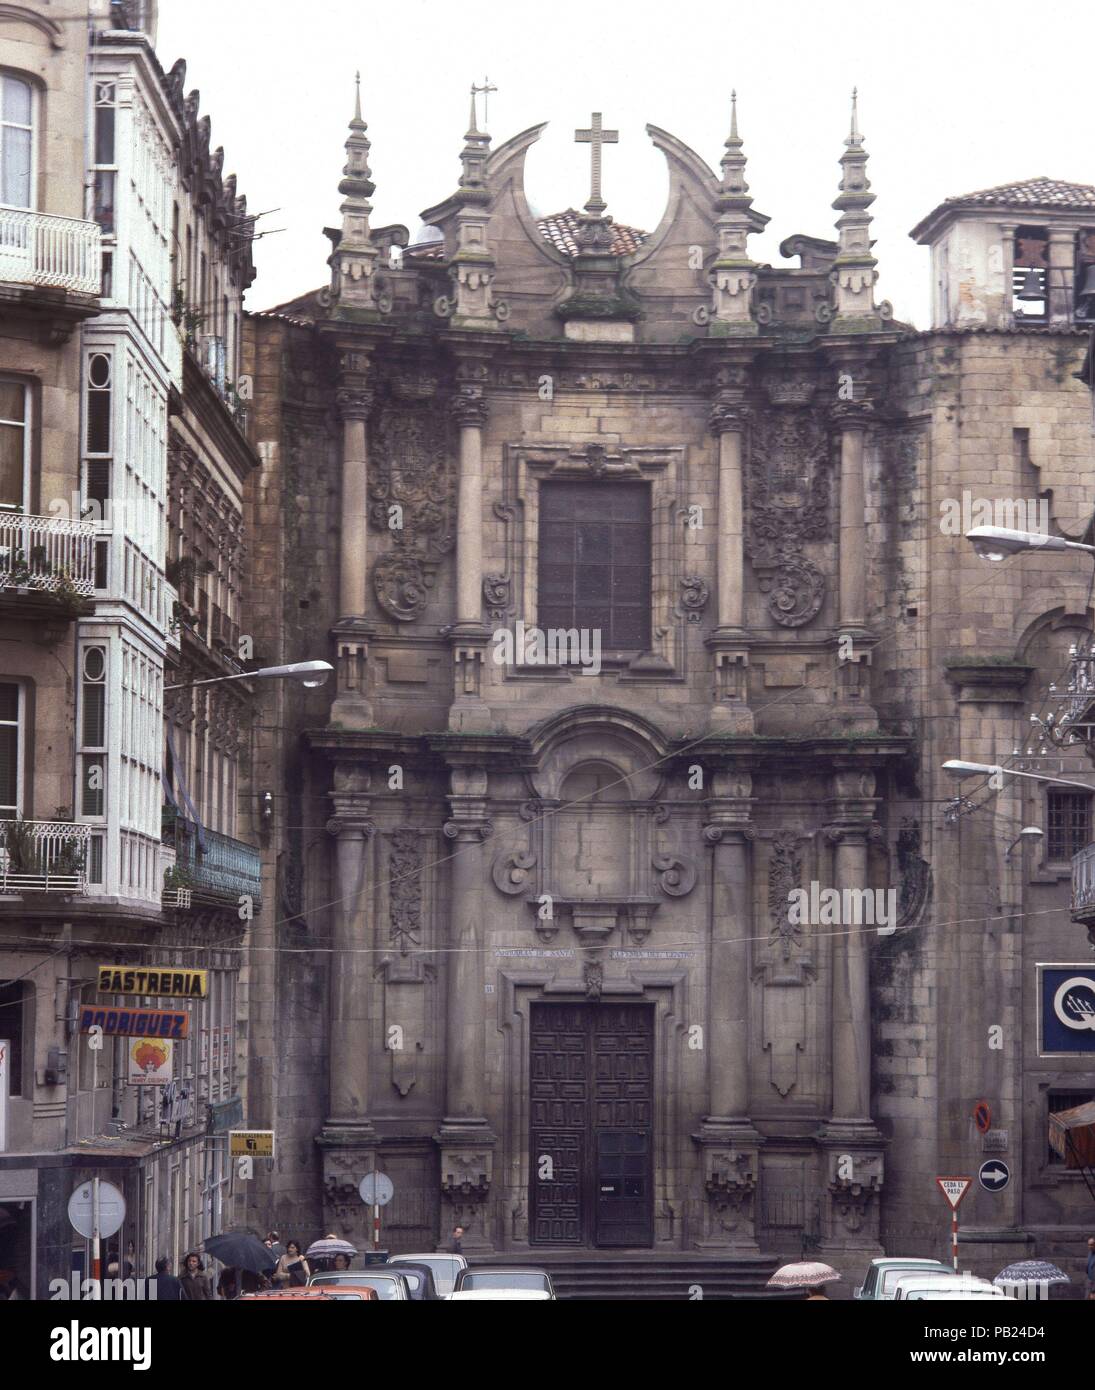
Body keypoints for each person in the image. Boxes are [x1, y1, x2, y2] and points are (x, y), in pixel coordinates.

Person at [1086, 1235, 1095, 1300]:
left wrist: (1093, 1291)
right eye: (1089, 1245)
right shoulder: (1090, 1253)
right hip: (1089, 1282)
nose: (1090, 1247)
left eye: (1091, 1245)